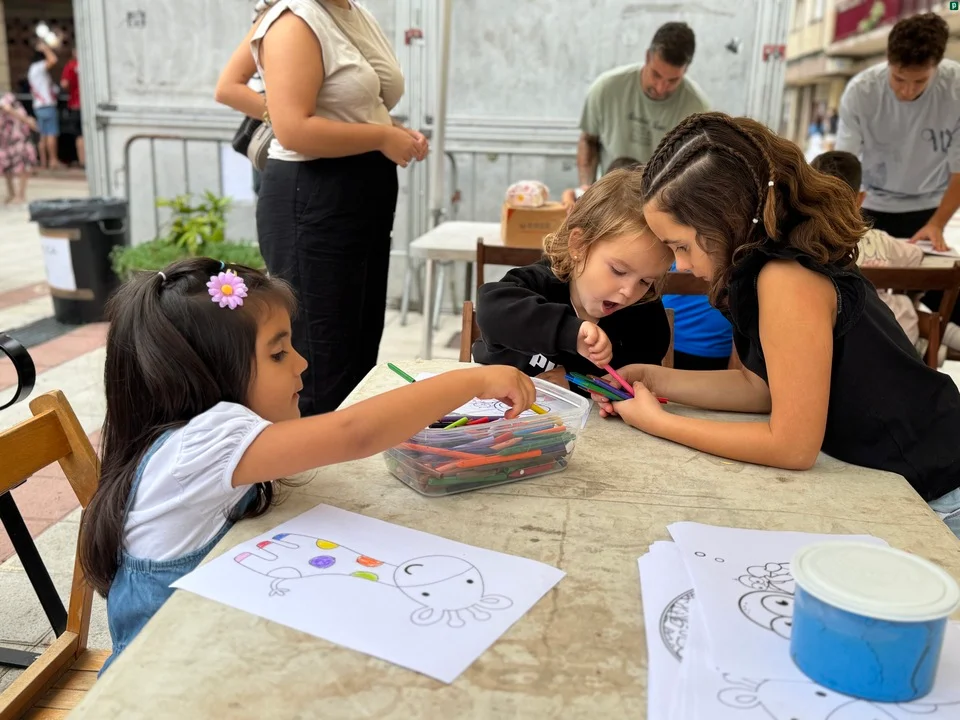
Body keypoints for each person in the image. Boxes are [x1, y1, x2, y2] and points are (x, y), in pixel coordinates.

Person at [82, 258, 535, 674]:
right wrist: (471, 379)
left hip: (213, 646)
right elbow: (354, 433)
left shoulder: (197, 443)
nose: (301, 362)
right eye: (278, 354)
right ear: (210, 373)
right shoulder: (201, 446)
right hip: (155, 676)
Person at [591, 112, 960, 538]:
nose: (682, 265)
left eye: (682, 246)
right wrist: (653, 378)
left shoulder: (787, 277)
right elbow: (763, 389)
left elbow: (793, 446)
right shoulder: (757, 269)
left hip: (939, 490)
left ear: (726, 221)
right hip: (902, 483)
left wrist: (658, 423)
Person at [241, 0, 429, 417]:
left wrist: (391, 131)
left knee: (358, 352)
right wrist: (381, 136)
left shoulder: (353, 13)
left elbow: (353, 108)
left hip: (361, 194)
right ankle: (313, 455)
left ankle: (347, 447)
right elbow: (293, 128)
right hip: (315, 194)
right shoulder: (294, 20)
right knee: (320, 359)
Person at [473, 168, 673, 393]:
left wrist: (577, 380)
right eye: (618, 271)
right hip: (494, 405)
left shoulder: (644, 316)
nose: (629, 291)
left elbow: (639, 374)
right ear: (579, 245)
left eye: (645, 281)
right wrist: (569, 333)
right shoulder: (540, 282)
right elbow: (491, 310)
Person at [835, 13, 959, 254]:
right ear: (888, 61)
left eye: (920, 81)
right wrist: (840, 218)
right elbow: (844, 165)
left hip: (930, 207)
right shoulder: (861, 92)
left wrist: (937, 224)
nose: (908, 90)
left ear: (936, 66)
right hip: (869, 203)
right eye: (899, 79)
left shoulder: (956, 88)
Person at [811, 149, 949, 363]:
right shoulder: (878, 239)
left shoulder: (804, 244)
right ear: (860, 199)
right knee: (903, 304)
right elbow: (915, 256)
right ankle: (925, 348)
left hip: (834, 347)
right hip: (891, 348)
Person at [577, 21, 709, 189]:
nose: (661, 88)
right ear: (647, 57)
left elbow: (697, 166)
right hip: (609, 191)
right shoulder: (606, 88)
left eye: (672, 80)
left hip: (662, 198)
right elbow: (589, 141)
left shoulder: (697, 109)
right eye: (656, 74)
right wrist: (586, 187)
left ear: (686, 70)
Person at [0, 92, 38, 204]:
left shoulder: (9, 102)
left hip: (19, 138)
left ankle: (21, 195)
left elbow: (9, 110)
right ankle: (12, 193)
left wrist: (26, 121)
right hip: (6, 140)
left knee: (22, 165)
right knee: (7, 167)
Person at [27, 41, 60, 170]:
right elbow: (53, 60)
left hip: (38, 105)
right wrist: (46, 48)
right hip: (47, 104)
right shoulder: (40, 67)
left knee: (43, 135)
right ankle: (53, 160)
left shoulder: (31, 70)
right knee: (51, 133)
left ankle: (43, 162)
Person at [59, 45, 84, 168]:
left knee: (79, 135)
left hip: (75, 105)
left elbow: (64, 84)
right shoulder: (90, 64)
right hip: (89, 105)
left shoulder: (70, 66)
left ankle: (83, 161)